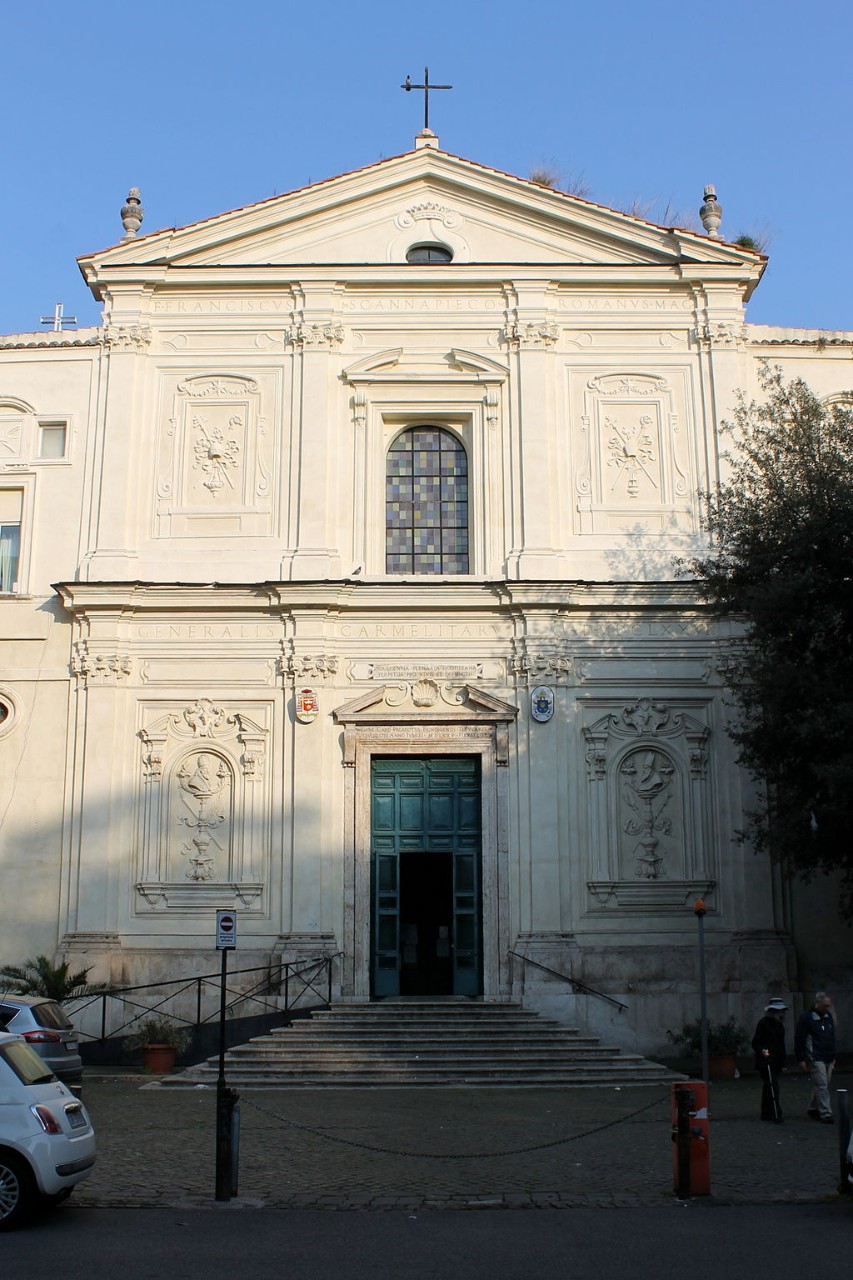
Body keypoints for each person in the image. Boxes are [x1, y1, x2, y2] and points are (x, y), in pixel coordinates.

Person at [794, 991, 837, 1123]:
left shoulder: (827, 1016)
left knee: (821, 1084)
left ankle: (813, 1107)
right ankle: (826, 1113)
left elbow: (831, 1037)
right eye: (825, 1006)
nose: (827, 1008)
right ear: (818, 1004)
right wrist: (801, 1058)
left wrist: (833, 1055)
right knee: (822, 1084)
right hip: (816, 1056)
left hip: (827, 1056)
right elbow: (800, 1038)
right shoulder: (807, 1018)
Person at [751, 998, 787, 1122]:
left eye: (782, 1011)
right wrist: (763, 1052)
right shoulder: (763, 1024)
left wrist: (783, 1061)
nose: (781, 1014)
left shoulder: (779, 1026)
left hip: (776, 1061)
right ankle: (776, 1113)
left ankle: (766, 1113)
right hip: (765, 1061)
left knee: (769, 1086)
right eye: (779, 1011)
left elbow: (781, 1045)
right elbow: (756, 1043)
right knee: (772, 1086)